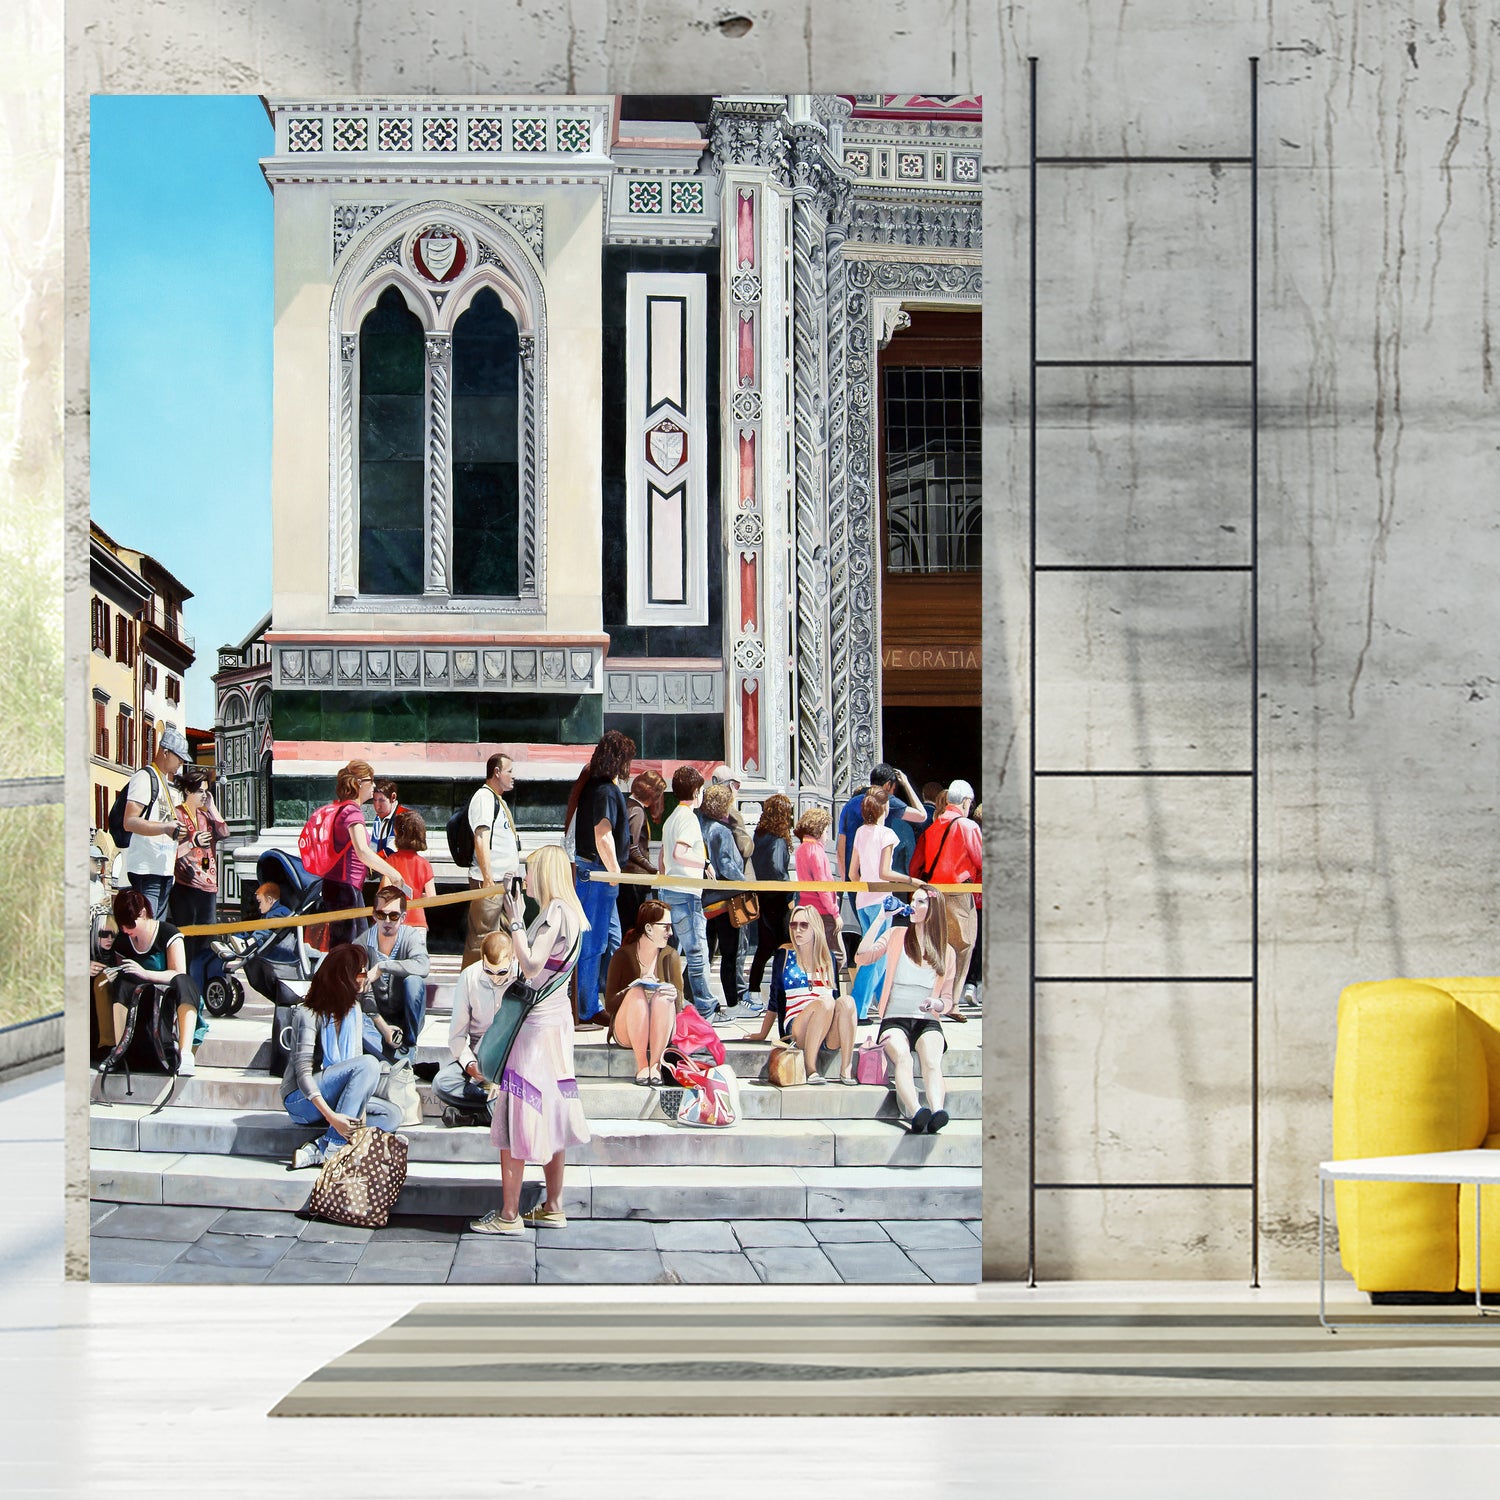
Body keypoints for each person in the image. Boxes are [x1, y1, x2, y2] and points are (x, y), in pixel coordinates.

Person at [470, 844, 590, 1236]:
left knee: (519, 1113)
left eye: (531, 870)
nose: (528, 878)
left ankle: (509, 1215)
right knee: (553, 1112)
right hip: (556, 1025)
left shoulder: (555, 911)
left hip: (535, 1028)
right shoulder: (574, 915)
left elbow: (532, 963)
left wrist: (518, 921)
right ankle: (553, 1205)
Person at [282, 943, 404, 1170]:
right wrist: (332, 1118)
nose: (365, 977)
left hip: (338, 1099)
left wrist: (360, 1111)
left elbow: (356, 1070)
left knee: (392, 1115)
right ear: (342, 977)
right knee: (370, 1063)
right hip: (302, 1100)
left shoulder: (354, 1011)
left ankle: (320, 1146)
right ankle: (336, 1148)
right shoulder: (307, 1014)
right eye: (360, 972)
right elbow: (303, 1075)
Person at [860, 887, 958, 1133]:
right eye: (913, 899)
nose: (914, 904)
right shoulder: (896, 935)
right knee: (902, 1057)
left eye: (921, 901)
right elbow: (862, 957)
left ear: (933, 909)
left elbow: (948, 999)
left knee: (932, 1061)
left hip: (927, 1019)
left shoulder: (947, 951)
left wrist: (936, 1004)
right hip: (894, 1019)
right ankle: (916, 1112)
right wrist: (881, 918)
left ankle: (937, 1111)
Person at [92, 886, 204, 1078]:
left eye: (130, 924)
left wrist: (145, 973)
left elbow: (178, 974)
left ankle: (185, 1054)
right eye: (123, 926)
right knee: (117, 983)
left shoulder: (168, 932)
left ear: (143, 913)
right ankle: (119, 1049)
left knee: (186, 984)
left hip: (167, 997)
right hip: (138, 999)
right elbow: (123, 973)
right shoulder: (123, 940)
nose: (126, 930)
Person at [566, 729, 636, 1025]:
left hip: (590, 870)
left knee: (606, 939)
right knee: (594, 943)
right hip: (597, 873)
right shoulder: (607, 790)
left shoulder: (592, 786)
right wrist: (614, 872)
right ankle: (586, 1008)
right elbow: (602, 832)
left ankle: (593, 999)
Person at [750, 903, 856, 1084]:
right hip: (797, 1027)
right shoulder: (784, 955)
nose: (797, 930)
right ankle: (810, 1068)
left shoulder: (828, 957)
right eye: (794, 925)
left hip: (827, 1028)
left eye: (803, 925)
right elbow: (774, 1000)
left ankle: (846, 1068)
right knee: (825, 1002)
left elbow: (836, 999)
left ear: (815, 928)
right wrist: (762, 1033)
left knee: (847, 1001)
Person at [912, 777, 984, 1011]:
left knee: (939, 947)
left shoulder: (932, 828)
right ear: (965, 802)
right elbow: (982, 860)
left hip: (934, 895)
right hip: (959, 894)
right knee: (963, 946)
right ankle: (950, 1002)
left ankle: (932, 996)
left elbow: (916, 866)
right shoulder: (968, 826)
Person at [320, 760, 409, 947]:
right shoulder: (353, 812)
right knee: (351, 946)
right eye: (371, 780)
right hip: (346, 888)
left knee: (349, 944)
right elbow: (362, 851)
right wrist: (392, 873)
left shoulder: (342, 808)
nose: (374, 785)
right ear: (359, 783)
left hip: (340, 885)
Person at [435, 929, 515, 1127]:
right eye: (489, 971)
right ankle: (497, 1108)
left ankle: (476, 1116)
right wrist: (470, 1064)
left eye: (502, 972)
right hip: (479, 1056)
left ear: (512, 959)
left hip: (513, 1058)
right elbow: (457, 1036)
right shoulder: (469, 977)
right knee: (442, 1083)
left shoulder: (524, 976)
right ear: (482, 961)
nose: (496, 977)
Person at [603, 898, 684, 1085]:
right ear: (648, 928)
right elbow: (609, 1004)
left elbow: (679, 1004)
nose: (670, 933)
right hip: (627, 1030)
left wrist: (674, 994)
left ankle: (655, 1066)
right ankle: (642, 1066)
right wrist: (634, 988)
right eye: (665, 927)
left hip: (661, 1030)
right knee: (637, 993)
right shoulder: (623, 956)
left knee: (663, 997)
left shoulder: (670, 955)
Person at [119, 724, 191, 918]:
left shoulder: (165, 783)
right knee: (147, 926)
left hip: (163, 870)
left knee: (154, 928)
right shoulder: (144, 778)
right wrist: (166, 828)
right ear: (165, 752)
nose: (181, 764)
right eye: (179, 758)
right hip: (147, 870)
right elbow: (130, 821)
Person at [659, 764, 714, 1018]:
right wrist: (704, 863)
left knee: (669, 952)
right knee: (697, 952)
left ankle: (671, 1002)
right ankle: (705, 1005)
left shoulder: (671, 819)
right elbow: (678, 853)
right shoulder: (689, 819)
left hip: (669, 889)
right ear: (696, 791)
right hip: (686, 892)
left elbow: (663, 858)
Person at [355, 886, 430, 1061]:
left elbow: (423, 966)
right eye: (382, 915)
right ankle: (386, 1056)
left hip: (405, 1016)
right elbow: (361, 989)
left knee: (414, 982)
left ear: (403, 918)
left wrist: (383, 966)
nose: (387, 921)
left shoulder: (410, 936)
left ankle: (408, 1045)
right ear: (374, 916)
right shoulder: (362, 943)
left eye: (394, 916)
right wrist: (384, 1028)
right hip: (374, 1019)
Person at [463, 752, 521, 970]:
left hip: (504, 883)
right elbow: (481, 838)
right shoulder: (484, 798)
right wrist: (487, 879)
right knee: (481, 940)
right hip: (490, 882)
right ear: (497, 772)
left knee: (502, 938)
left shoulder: (497, 800)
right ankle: (470, 990)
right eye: (510, 771)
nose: (513, 776)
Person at [848, 787, 900, 1020]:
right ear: (884, 807)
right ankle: (859, 1009)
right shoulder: (887, 834)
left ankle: (886, 1004)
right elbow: (886, 872)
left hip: (863, 899)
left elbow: (852, 873)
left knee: (879, 954)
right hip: (882, 900)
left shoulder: (860, 831)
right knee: (875, 956)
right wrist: (910, 881)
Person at [168, 764, 228, 967]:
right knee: (187, 936)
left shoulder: (205, 816)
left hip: (208, 886)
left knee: (207, 937)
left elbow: (224, 832)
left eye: (206, 791)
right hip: (185, 886)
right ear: (187, 790)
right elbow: (171, 852)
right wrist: (193, 842)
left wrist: (212, 807)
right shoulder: (176, 815)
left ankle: (202, 978)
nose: (204, 795)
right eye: (200, 791)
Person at [744, 792, 795, 1013]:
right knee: (786, 947)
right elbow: (778, 870)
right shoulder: (778, 839)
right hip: (779, 900)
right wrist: (790, 897)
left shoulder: (760, 836)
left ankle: (754, 990)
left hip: (764, 897)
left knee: (765, 948)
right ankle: (784, 992)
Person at [699, 782, 746, 1010]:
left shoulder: (700, 825)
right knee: (729, 954)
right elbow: (727, 866)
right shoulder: (722, 831)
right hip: (726, 901)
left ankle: (694, 993)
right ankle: (733, 1001)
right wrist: (745, 883)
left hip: (706, 900)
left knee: (704, 952)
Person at [619, 768, 666, 936]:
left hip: (627, 879)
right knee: (635, 926)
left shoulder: (626, 805)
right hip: (635, 881)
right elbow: (633, 849)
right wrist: (653, 869)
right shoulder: (637, 811)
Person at [791, 805, 841, 961]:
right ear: (818, 831)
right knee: (835, 957)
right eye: (826, 832)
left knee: (813, 955)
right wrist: (835, 913)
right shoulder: (816, 851)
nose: (826, 836)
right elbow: (823, 886)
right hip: (823, 912)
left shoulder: (801, 849)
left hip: (807, 908)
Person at [386, 809, 436, 929]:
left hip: (395, 922)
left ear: (396, 832)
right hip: (419, 923)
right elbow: (432, 898)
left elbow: (384, 893)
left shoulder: (391, 861)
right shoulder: (425, 864)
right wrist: (417, 896)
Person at [369, 779, 402, 858]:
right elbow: (373, 845)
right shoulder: (378, 817)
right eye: (375, 800)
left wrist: (373, 860)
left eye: (382, 800)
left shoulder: (402, 818)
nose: (377, 806)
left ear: (393, 797)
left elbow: (394, 848)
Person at [88, 843, 110, 909]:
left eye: (101, 861)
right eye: (95, 861)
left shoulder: (99, 885)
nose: (99, 864)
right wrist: (100, 905)